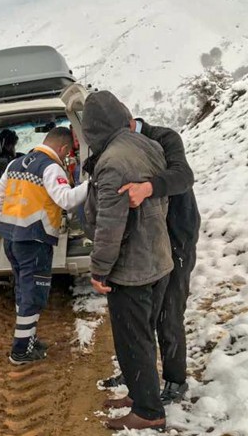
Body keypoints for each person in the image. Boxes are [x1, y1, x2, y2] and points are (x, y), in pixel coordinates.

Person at [82, 91, 172, 431]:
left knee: (133, 340)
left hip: (132, 269)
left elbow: (110, 225)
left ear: (92, 129)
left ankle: (149, 411)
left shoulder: (112, 162)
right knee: (143, 335)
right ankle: (139, 394)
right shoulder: (147, 145)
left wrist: (99, 269)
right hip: (157, 256)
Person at [102, 118, 200, 405]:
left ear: (128, 124)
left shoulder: (164, 138)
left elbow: (183, 176)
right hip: (148, 240)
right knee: (141, 313)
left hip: (176, 235)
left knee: (169, 310)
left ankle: (175, 379)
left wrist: (147, 188)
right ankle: (138, 374)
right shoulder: (119, 148)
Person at [0, 127, 88, 365]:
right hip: (35, 241)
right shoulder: (51, 167)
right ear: (63, 149)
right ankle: (20, 351)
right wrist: (92, 184)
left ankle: (28, 338)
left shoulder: (14, 164)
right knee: (33, 295)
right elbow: (66, 199)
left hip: (11, 239)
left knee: (23, 290)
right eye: (68, 153)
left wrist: (9, 224)